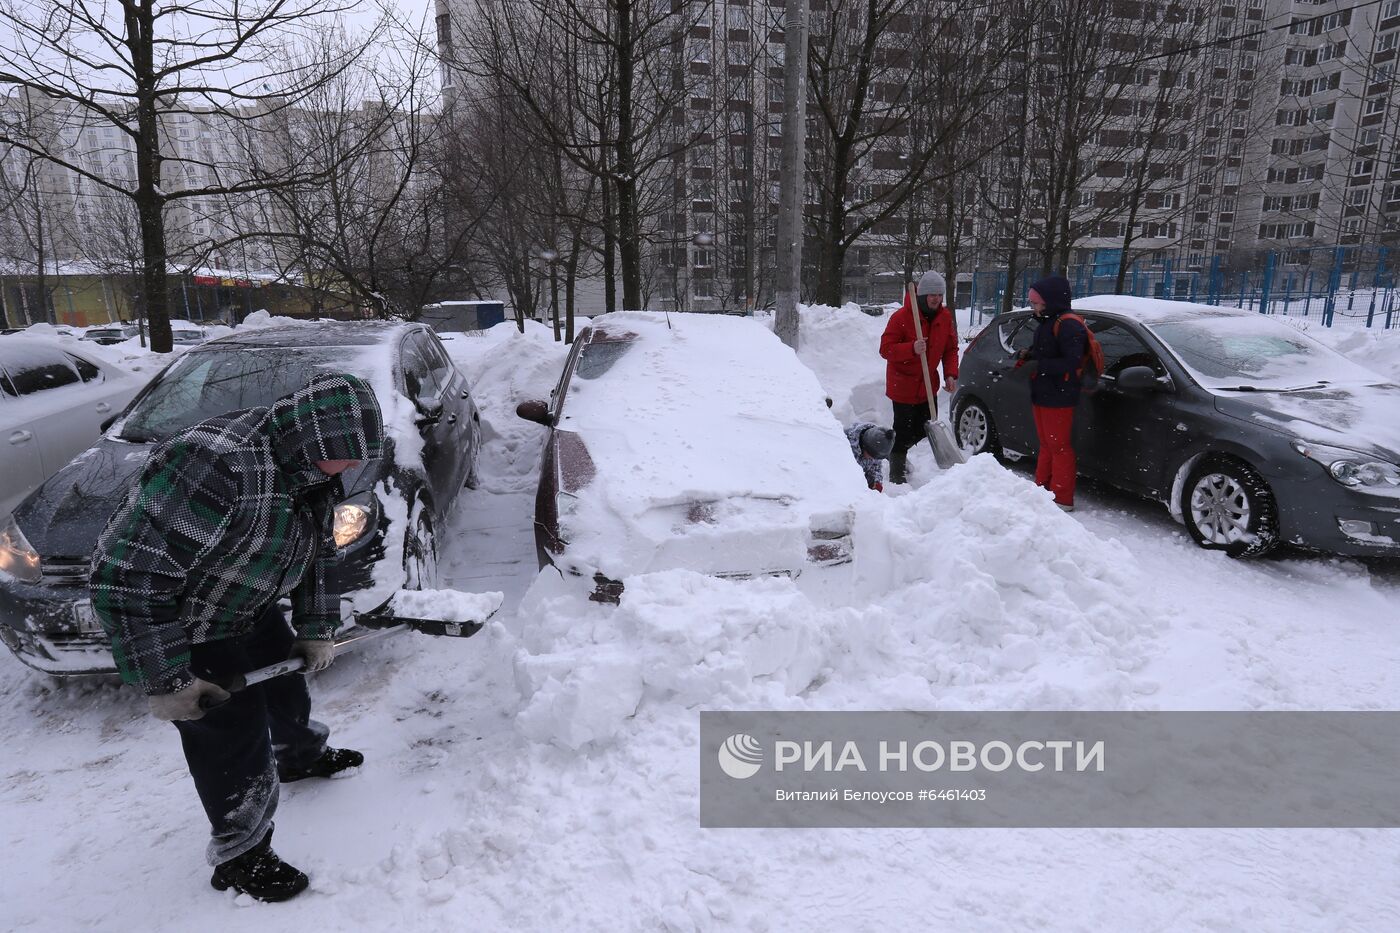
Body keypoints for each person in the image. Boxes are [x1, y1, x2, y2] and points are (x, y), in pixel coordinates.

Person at [89, 372, 385, 902]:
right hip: (189, 627)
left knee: (287, 691)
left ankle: (300, 757)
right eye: (339, 457)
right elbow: (128, 574)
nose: (348, 468)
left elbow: (316, 553)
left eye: (354, 456)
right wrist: (167, 679)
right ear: (306, 438)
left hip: (247, 606)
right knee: (231, 737)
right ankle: (240, 856)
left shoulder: (308, 467)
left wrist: (316, 627)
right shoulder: (213, 464)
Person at [879, 270, 959, 484]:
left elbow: (950, 349)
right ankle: (897, 472)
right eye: (932, 295)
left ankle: (893, 448)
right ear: (922, 295)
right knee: (904, 430)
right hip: (902, 384)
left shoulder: (944, 317)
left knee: (924, 428)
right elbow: (885, 349)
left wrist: (950, 374)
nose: (937, 299)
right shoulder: (902, 317)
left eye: (940, 295)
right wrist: (911, 348)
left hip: (927, 385)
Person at [1017, 275, 1087, 511]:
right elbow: (1046, 352)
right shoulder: (1048, 321)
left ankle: (1061, 497)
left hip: (1059, 395)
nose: (1033, 307)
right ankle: (1041, 491)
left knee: (1059, 447)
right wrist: (1029, 355)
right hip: (1043, 392)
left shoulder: (1069, 325)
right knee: (1046, 445)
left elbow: (1072, 361)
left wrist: (1040, 366)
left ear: (1051, 301)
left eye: (1036, 302)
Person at [845, 422, 895, 491]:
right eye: (871, 455)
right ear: (864, 446)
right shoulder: (846, 447)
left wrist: (876, 482)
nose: (872, 458)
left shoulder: (877, 444)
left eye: (876, 457)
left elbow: (875, 468)